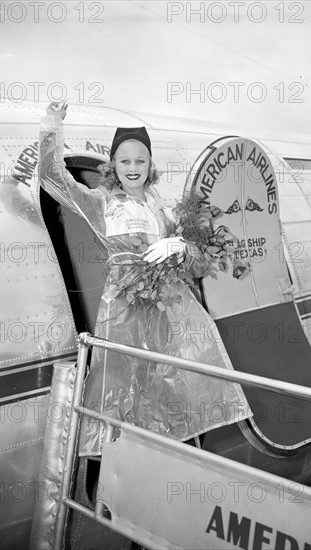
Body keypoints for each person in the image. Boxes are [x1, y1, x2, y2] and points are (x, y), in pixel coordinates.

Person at [39, 101, 250, 456]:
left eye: (140, 160)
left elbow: (197, 268)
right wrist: (52, 126)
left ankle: (178, 471)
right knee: (117, 393)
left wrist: (181, 247)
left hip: (172, 313)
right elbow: (52, 177)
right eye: (125, 160)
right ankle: (110, 478)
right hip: (124, 313)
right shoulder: (101, 203)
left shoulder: (162, 209)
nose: (133, 168)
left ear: (150, 165)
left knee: (178, 389)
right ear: (113, 166)